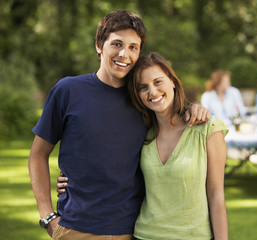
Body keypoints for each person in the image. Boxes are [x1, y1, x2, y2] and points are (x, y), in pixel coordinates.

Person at [28, 10, 210, 239]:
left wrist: (192, 108)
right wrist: (48, 217)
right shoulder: (68, 91)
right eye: (117, 44)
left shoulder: (143, 98)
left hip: (131, 230)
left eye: (133, 47)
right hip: (75, 228)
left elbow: (171, 115)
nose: (124, 54)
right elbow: (37, 155)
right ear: (99, 45)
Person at [58, 52, 229, 239]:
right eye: (143, 87)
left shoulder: (207, 129)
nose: (152, 92)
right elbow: (110, 163)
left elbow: (216, 195)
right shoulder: (142, 132)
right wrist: (72, 180)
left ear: (173, 81)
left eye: (158, 82)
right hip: (145, 235)